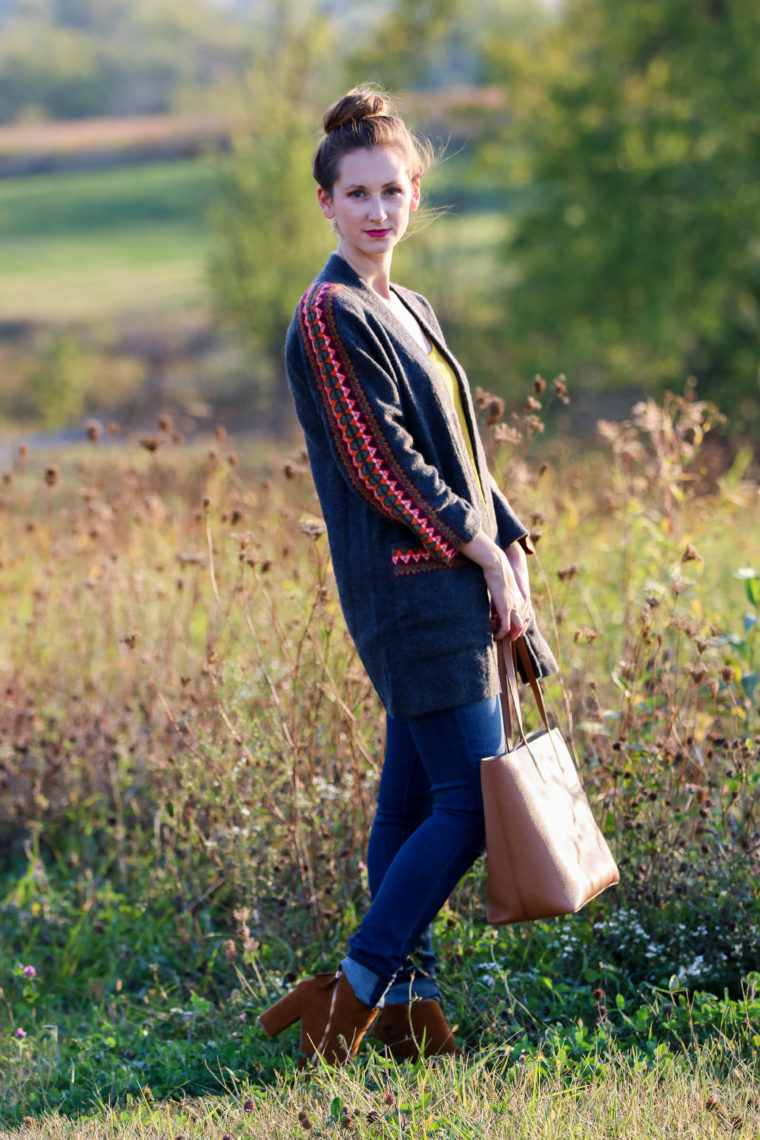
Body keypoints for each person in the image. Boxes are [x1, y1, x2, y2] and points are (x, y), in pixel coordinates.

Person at [258, 85, 557, 1067]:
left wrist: (508, 545)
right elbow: (387, 467)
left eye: (395, 190)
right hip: (410, 592)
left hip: (456, 581)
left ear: (416, 195)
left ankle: (410, 1011)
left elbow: (463, 453)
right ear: (326, 203)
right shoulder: (328, 316)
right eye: (359, 193)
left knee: (407, 807)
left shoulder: (408, 306)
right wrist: (482, 554)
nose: (379, 210)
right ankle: (351, 987)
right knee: (470, 805)